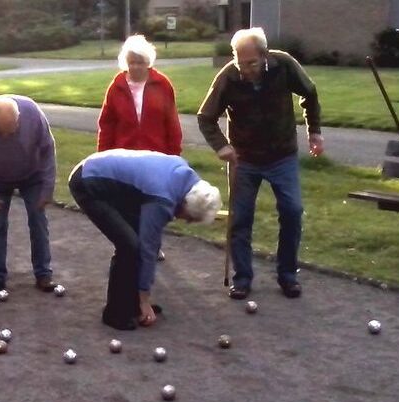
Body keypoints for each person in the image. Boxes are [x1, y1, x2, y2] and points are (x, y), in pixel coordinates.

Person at [197, 27, 324, 299]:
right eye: (240, 62)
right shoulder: (229, 77)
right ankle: (242, 278)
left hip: (282, 155)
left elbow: (310, 93)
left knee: (292, 211)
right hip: (244, 159)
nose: (245, 69)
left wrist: (314, 131)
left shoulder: (284, 65)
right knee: (240, 219)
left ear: (265, 55)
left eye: (252, 63)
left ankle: (287, 275)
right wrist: (222, 146)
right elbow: (205, 117)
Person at [69, 150, 221, 330]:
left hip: (113, 182)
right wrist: (145, 299)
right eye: (189, 217)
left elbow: (152, 241)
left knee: (135, 240)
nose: (186, 221)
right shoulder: (163, 199)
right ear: (185, 205)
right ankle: (115, 314)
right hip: (88, 183)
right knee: (129, 246)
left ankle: (131, 304)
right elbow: (149, 249)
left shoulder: (187, 179)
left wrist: (142, 299)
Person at [0, 95, 59, 295]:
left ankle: (43, 273)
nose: (5, 136)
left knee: (38, 219)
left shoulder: (32, 113)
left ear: (18, 119)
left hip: (32, 174)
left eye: (9, 130)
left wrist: (47, 188)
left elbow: (48, 149)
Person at [97, 34, 182, 156]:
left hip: (156, 155)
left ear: (148, 63)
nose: (136, 67)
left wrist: (174, 156)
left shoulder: (162, 84)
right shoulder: (116, 87)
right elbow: (106, 125)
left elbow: (172, 123)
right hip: (123, 156)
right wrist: (103, 157)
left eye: (140, 62)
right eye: (132, 62)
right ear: (125, 63)